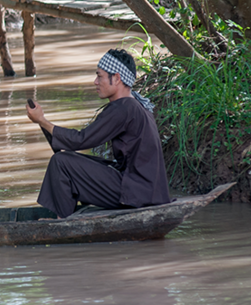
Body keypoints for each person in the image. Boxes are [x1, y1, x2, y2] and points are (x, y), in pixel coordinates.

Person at [25, 48, 170, 218]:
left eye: (99, 76)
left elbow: (81, 140)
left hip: (138, 193)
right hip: (147, 190)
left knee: (61, 162)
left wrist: (42, 121)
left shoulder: (124, 108)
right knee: (70, 158)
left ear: (116, 78)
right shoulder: (135, 104)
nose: (95, 82)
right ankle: (65, 215)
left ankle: (62, 222)